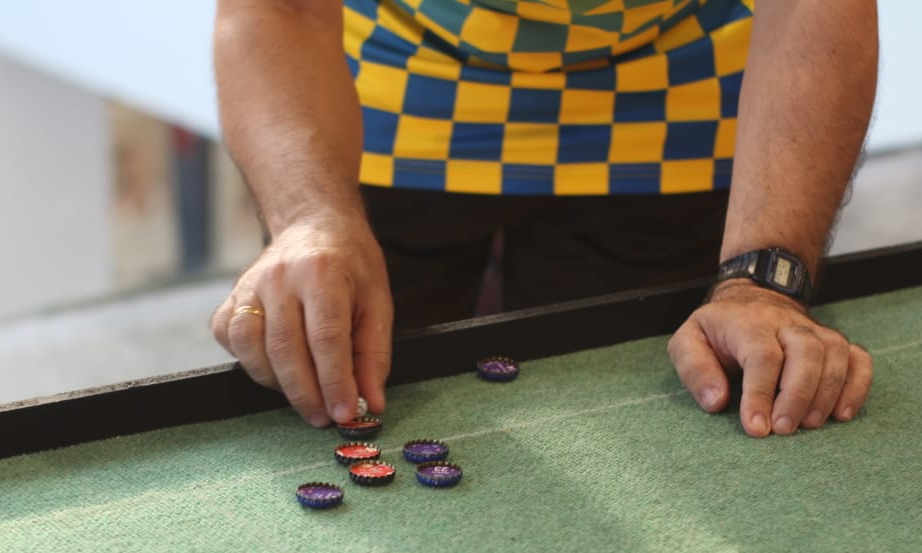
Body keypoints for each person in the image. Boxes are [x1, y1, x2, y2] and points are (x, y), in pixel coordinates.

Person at [210, 0, 877, 437]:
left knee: (630, 421)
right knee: (343, 387)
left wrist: (763, 281)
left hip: (672, 96)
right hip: (390, 93)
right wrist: (310, 217)